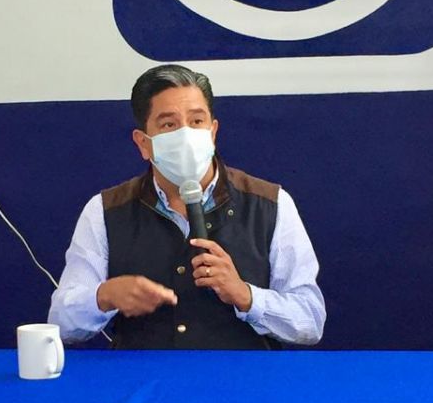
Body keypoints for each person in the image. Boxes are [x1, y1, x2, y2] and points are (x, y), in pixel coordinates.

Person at [49, 64, 325, 348]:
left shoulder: (270, 204)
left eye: (196, 121)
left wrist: (246, 296)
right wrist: (104, 296)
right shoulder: (105, 211)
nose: (185, 136)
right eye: (169, 125)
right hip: (146, 374)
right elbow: (61, 324)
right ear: (143, 143)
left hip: (241, 374)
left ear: (212, 132)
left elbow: (310, 320)